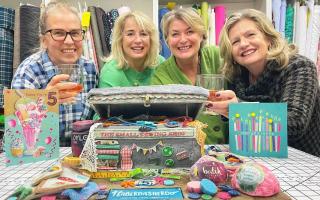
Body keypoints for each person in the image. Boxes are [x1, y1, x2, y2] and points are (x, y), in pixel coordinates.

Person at [208, 9, 320, 156]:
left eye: (251, 35)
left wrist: (239, 111)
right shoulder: (235, 77)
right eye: (235, 41)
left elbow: (295, 123)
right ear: (231, 53)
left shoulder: (299, 67)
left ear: (269, 38)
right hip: (255, 158)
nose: (243, 44)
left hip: (300, 161)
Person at [11, 2, 97, 146]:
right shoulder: (28, 73)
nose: (69, 41)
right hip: (40, 160)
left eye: (75, 33)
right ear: (44, 40)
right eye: (58, 33)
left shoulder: (90, 69)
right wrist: (42, 104)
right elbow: (17, 140)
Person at [151, 8, 228, 144]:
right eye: (175, 34)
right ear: (167, 40)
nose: (183, 40)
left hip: (228, 148)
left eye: (190, 32)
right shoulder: (160, 76)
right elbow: (159, 125)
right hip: (185, 151)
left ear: (201, 35)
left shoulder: (218, 57)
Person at [98, 11, 165, 88]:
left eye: (143, 34)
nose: (138, 40)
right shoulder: (109, 73)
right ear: (120, 39)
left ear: (151, 39)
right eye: (130, 34)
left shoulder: (161, 64)